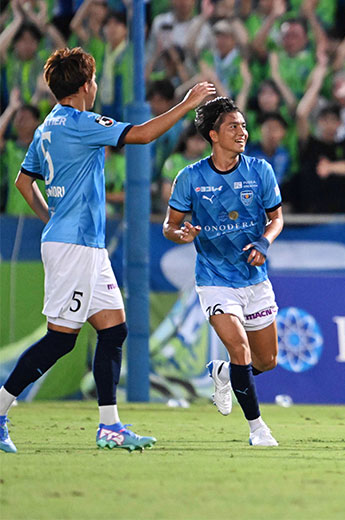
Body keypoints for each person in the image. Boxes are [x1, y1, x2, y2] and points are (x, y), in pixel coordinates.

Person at [0, 47, 214, 454]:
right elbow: (142, 135)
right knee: (60, 341)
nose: (96, 87)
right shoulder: (80, 122)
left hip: (82, 244)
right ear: (84, 87)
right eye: (94, 80)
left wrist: (52, 218)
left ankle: (110, 427)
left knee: (114, 331)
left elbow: (23, 183)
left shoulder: (47, 127)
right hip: (75, 247)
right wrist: (187, 104)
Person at [163, 97, 284, 447]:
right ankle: (258, 429)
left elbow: (276, 218)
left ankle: (224, 375)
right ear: (213, 135)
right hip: (215, 280)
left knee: (268, 360)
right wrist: (180, 233)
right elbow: (170, 226)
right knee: (240, 350)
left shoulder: (260, 170)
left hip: (254, 279)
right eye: (234, 126)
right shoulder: (190, 177)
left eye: (244, 125)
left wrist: (264, 242)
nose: (242, 132)